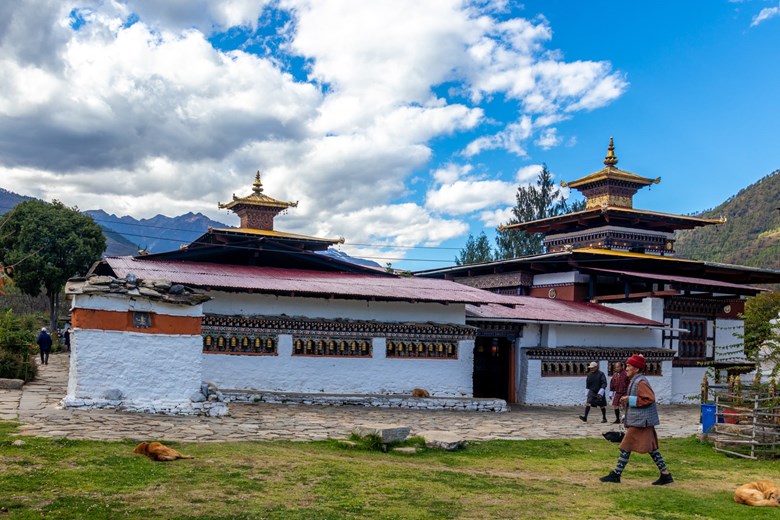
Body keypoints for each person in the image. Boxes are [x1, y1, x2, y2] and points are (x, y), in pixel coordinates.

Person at [600, 354, 674, 485]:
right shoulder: (636, 380)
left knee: (626, 446)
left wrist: (630, 399)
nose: (626, 368)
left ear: (637, 368)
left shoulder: (641, 382)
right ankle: (665, 475)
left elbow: (649, 398)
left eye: (629, 366)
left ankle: (616, 474)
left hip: (641, 422)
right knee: (651, 449)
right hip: (641, 421)